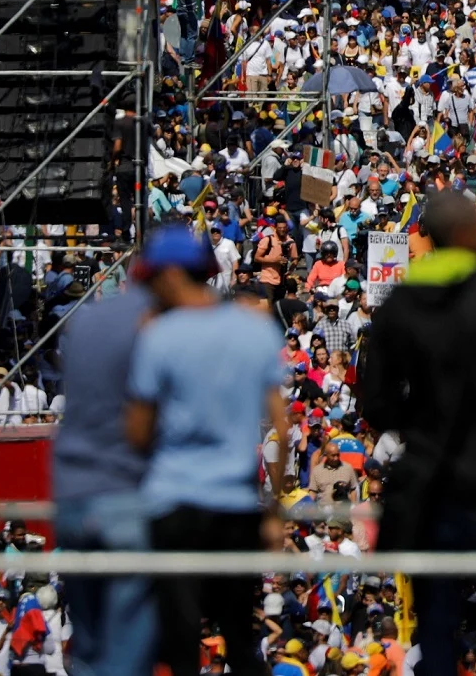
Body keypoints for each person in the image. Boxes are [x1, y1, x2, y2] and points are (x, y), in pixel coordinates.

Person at [361, 190, 476, 676]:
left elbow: (376, 404)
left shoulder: (398, 308)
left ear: (428, 236)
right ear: (470, 236)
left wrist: (421, 417)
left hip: (430, 488)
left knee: (437, 627)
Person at [125, 225, 288, 676]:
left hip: (173, 505)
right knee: (239, 634)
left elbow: (137, 432)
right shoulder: (254, 330)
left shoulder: (157, 336)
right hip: (235, 506)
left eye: (152, 279)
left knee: (180, 641)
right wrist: (273, 510)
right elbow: (282, 426)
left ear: (174, 275)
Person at [55, 270, 160, 676]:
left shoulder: (85, 324)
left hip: (73, 496)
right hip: (125, 496)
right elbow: (141, 424)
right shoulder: (155, 326)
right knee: (126, 643)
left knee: (90, 641)